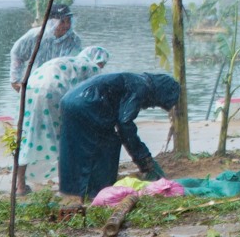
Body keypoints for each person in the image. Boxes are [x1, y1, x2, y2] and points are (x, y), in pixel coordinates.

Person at [57, 71, 179, 203]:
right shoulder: (141, 87)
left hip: (69, 101)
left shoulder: (136, 80)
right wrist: (142, 156)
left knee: (74, 147)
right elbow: (125, 122)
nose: (152, 105)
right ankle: (99, 190)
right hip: (86, 105)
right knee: (108, 144)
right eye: (157, 103)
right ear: (159, 92)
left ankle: (72, 191)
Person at [15, 46, 110, 196]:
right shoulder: (92, 68)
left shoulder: (70, 61)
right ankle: (65, 187)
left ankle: (20, 186)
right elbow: (93, 100)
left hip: (29, 88)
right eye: (102, 64)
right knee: (65, 138)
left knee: (28, 135)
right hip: (52, 92)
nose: (101, 68)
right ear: (98, 60)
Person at [8, 4, 81, 93]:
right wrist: (15, 80)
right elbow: (17, 54)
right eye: (62, 21)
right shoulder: (35, 35)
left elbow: (76, 63)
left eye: (68, 21)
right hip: (36, 86)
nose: (66, 25)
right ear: (51, 22)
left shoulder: (74, 40)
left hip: (63, 87)